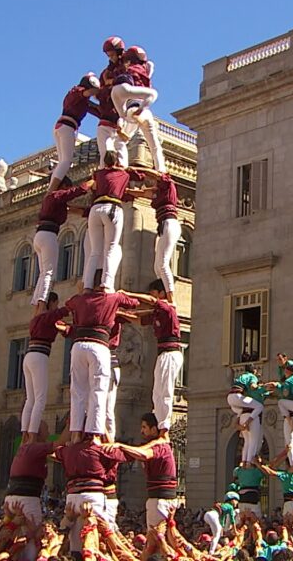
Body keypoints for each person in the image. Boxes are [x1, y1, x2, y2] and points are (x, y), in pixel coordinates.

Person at [61, 285, 139, 438]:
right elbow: (135, 307)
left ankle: (98, 438)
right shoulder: (109, 302)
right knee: (98, 399)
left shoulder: (100, 302)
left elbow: (135, 313)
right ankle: (94, 436)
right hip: (100, 352)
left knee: (102, 404)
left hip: (107, 356)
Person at [110, 413, 181, 557]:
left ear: (154, 429)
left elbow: (143, 455)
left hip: (160, 501)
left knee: (157, 543)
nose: (141, 431)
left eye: (144, 427)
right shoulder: (157, 445)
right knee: (157, 542)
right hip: (158, 500)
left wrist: (120, 446)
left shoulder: (160, 446)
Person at [122, 279, 183, 438]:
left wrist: (128, 294)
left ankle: (164, 429)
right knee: (157, 392)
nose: (151, 297)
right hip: (163, 354)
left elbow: (151, 302)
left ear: (161, 293)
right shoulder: (158, 313)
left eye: (153, 293)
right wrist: (121, 314)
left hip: (170, 353)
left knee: (165, 391)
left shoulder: (168, 308)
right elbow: (140, 319)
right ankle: (159, 422)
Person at [53, 433, 130, 555]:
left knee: (77, 548)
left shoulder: (70, 450)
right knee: (99, 544)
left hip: (74, 498)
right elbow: (123, 455)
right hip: (93, 497)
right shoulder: (103, 449)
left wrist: (67, 520)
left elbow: (53, 452)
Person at [32, 178, 91, 312]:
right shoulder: (56, 195)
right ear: (63, 186)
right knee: (48, 273)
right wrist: (92, 182)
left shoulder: (52, 200)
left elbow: (75, 209)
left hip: (40, 235)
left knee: (43, 274)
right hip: (49, 235)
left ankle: (36, 305)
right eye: (67, 188)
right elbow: (78, 191)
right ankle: (41, 306)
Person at [112, 46, 166, 176]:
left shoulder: (128, 74)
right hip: (146, 111)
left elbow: (121, 110)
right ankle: (162, 170)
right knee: (154, 145)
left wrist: (124, 120)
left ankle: (122, 167)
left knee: (119, 142)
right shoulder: (145, 73)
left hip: (133, 109)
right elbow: (150, 66)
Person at [22, 292, 69, 440]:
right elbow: (63, 312)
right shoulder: (48, 317)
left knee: (30, 399)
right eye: (56, 303)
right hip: (39, 356)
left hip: (28, 355)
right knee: (40, 398)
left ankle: (25, 432)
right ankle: (33, 434)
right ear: (52, 302)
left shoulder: (35, 319)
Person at [84, 151, 133, 292]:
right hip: (113, 207)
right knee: (111, 248)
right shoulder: (124, 175)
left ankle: (87, 285)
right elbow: (138, 176)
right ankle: (106, 283)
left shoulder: (98, 174)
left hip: (95, 208)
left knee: (95, 251)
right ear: (118, 162)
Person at [129, 173, 181, 302]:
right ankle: (163, 291)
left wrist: (137, 170)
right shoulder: (158, 192)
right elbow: (142, 193)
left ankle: (171, 298)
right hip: (164, 226)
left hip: (170, 223)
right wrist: (125, 191)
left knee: (163, 264)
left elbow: (158, 176)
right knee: (157, 266)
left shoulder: (168, 185)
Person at [4, 422, 54, 555]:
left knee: (12, 536)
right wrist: (72, 425)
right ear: (38, 433)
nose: (49, 433)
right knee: (31, 539)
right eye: (46, 430)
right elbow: (59, 443)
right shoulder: (35, 448)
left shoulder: (24, 447)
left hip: (11, 498)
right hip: (27, 499)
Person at [48, 74, 100, 193]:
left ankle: (52, 187)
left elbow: (98, 110)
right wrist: (101, 91)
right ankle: (50, 191)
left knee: (62, 162)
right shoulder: (77, 91)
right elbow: (86, 93)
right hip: (67, 126)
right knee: (66, 161)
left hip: (61, 126)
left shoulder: (81, 99)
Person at [97, 37, 129, 167]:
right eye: (108, 55)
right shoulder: (106, 72)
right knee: (108, 149)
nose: (110, 57)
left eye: (111, 54)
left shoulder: (127, 67)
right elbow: (99, 92)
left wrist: (110, 83)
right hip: (109, 113)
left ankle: (121, 169)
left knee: (119, 143)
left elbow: (126, 83)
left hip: (122, 111)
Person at [228, 364, 267, 464]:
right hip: (237, 397)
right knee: (259, 406)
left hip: (230, 399)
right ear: (253, 370)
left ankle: (244, 462)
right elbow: (253, 386)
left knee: (246, 441)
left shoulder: (241, 376)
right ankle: (248, 463)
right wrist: (260, 387)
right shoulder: (251, 376)